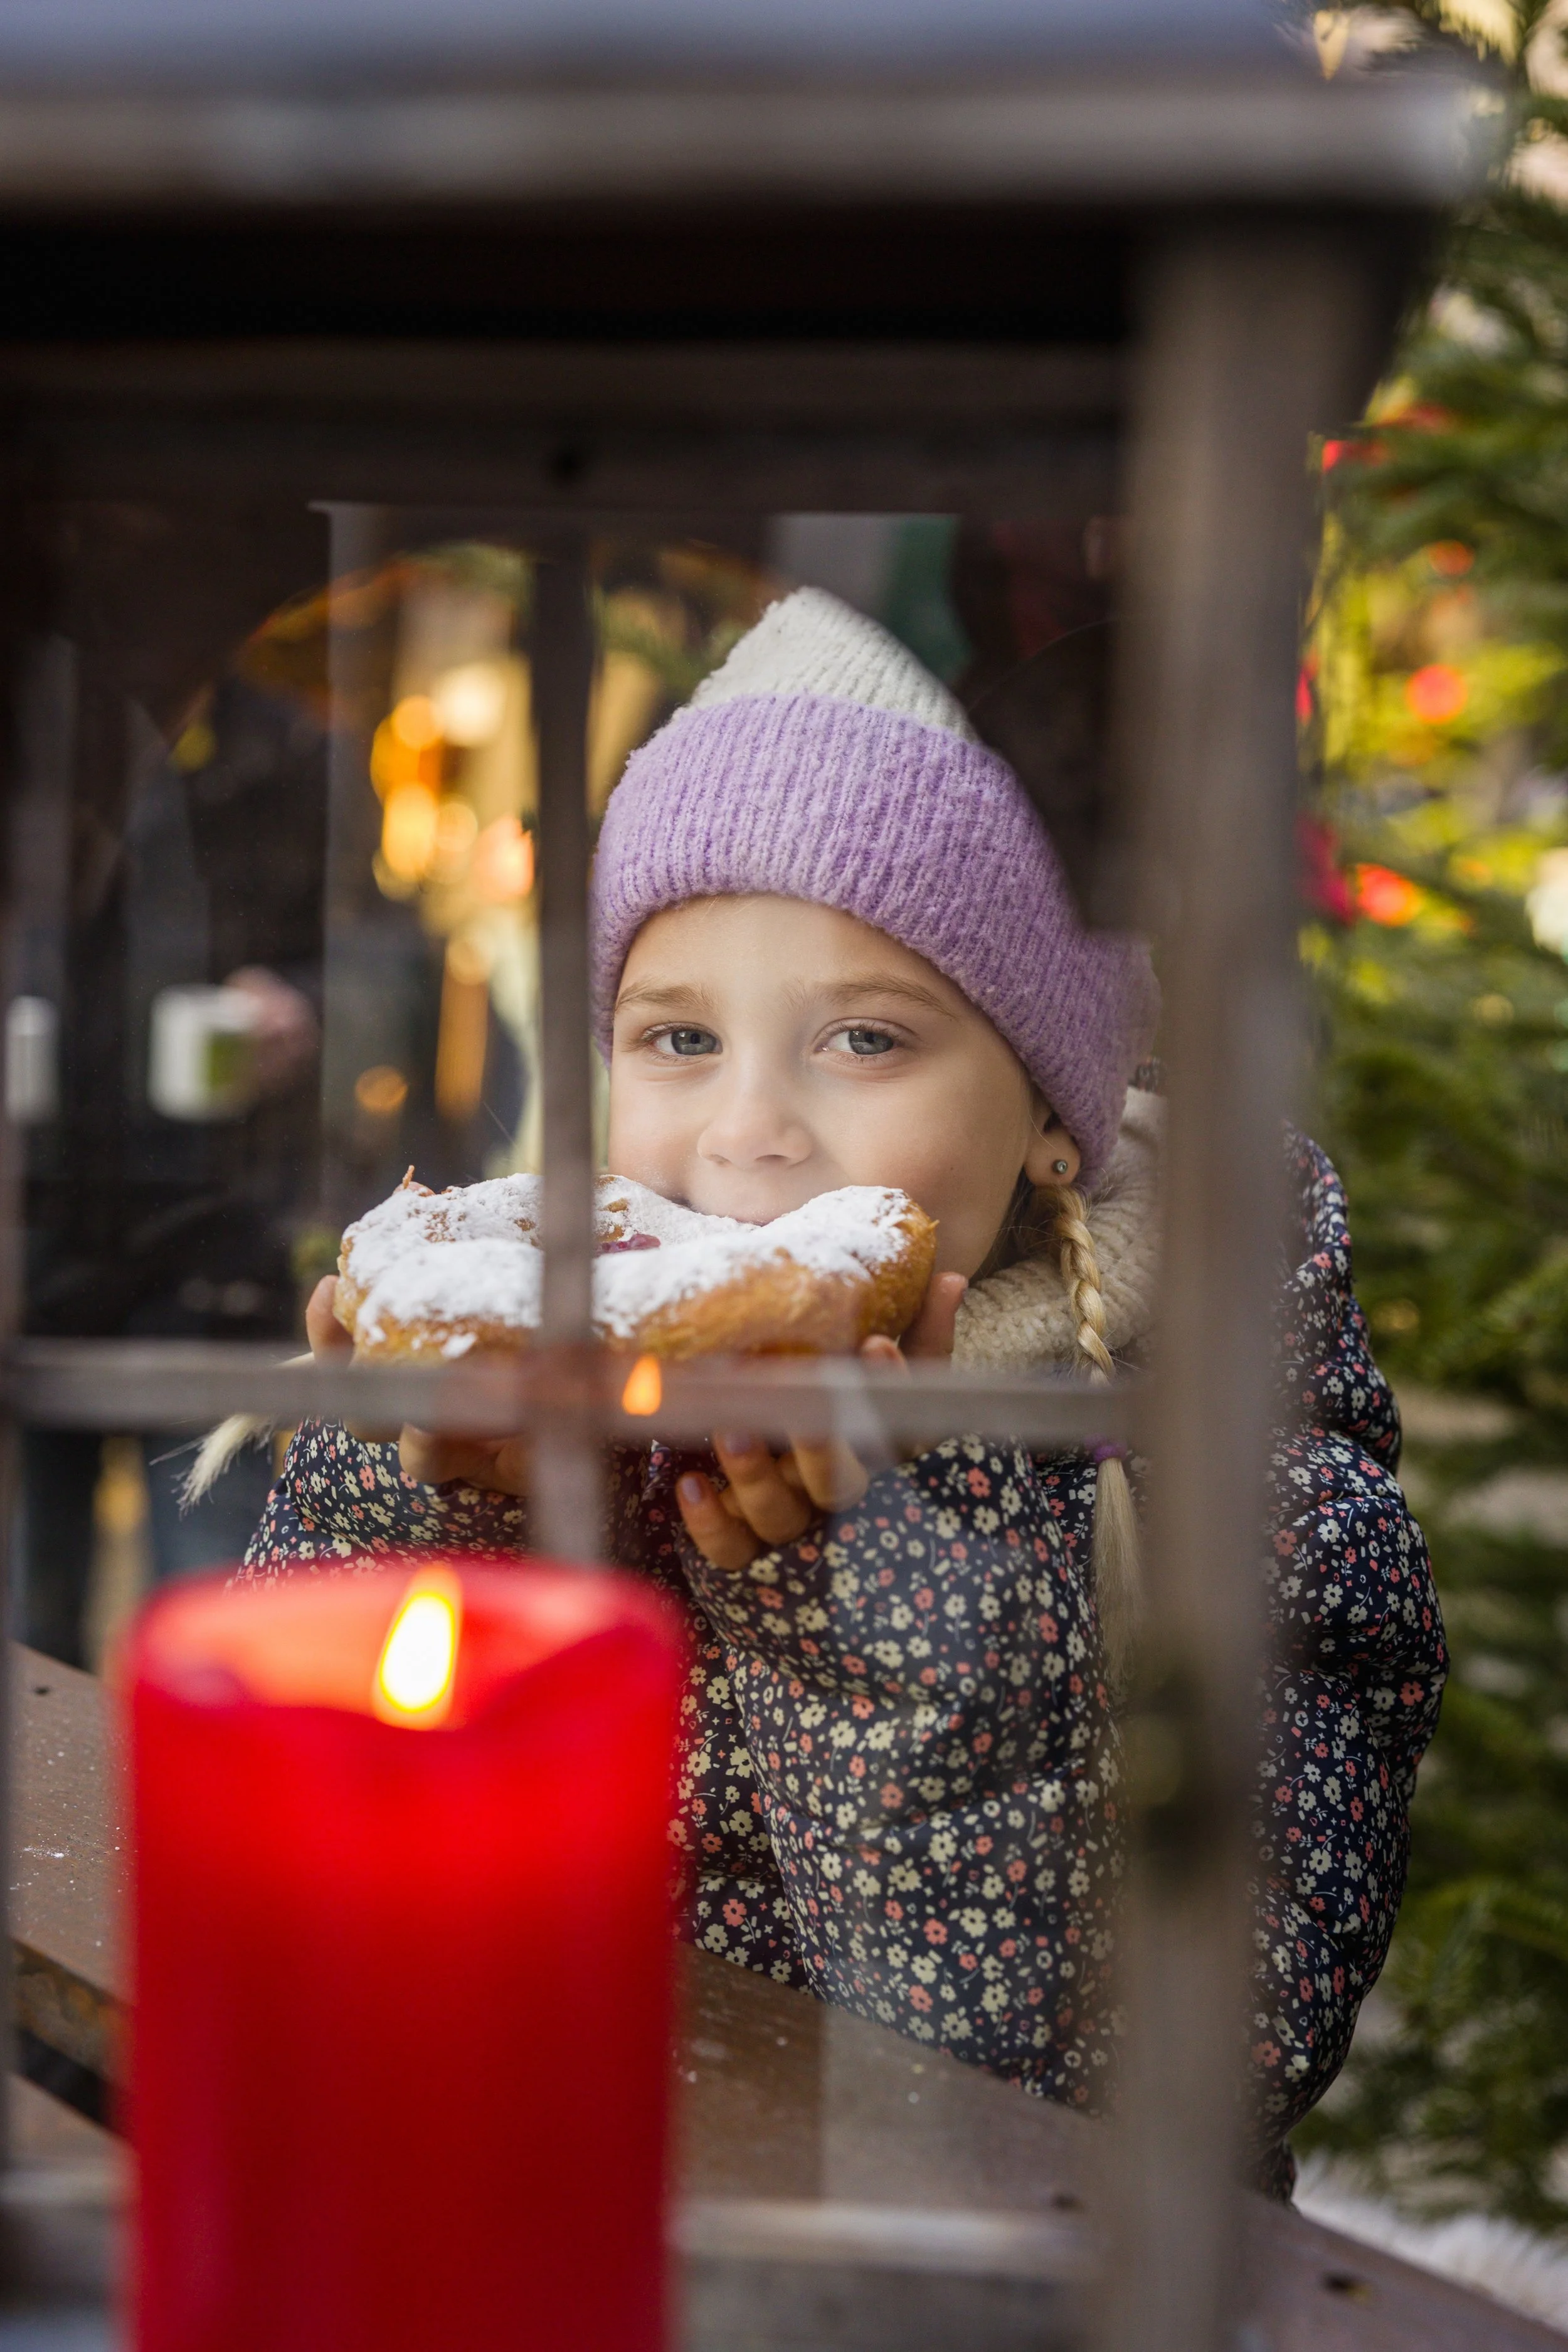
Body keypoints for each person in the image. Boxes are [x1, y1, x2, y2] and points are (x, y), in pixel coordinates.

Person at [238, 588, 1446, 2193]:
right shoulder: (542, 1366)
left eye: (864, 1039)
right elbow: (315, 1884)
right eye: (676, 1039)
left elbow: (1184, 2067)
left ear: (1047, 1123)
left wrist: (863, 1594)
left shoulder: (1247, 1485)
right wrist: (425, 1496)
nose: (747, 1131)